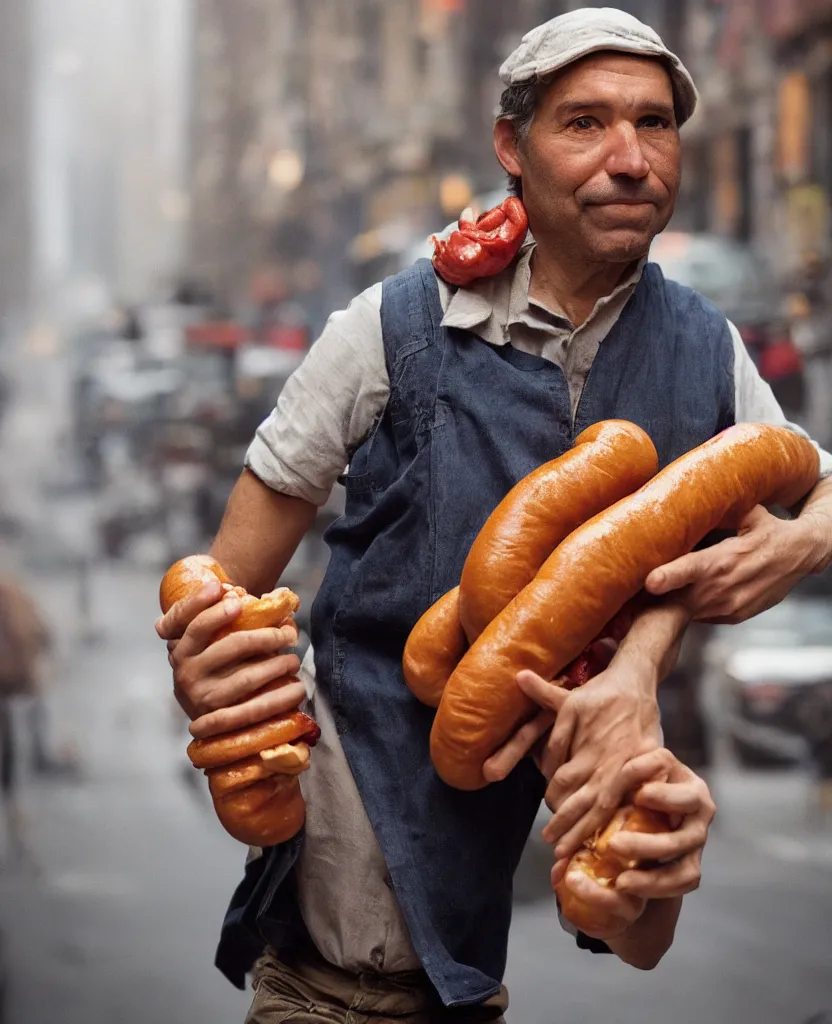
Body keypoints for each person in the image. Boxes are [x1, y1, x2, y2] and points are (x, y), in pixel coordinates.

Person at [157, 9, 832, 1022]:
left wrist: (803, 537)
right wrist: (219, 681)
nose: (629, 159)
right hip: (325, 965)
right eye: (584, 124)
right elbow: (229, 583)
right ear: (510, 146)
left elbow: (811, 478)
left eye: (653, 125)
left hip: (478, 960)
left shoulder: (703, 350)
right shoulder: (386, 331)